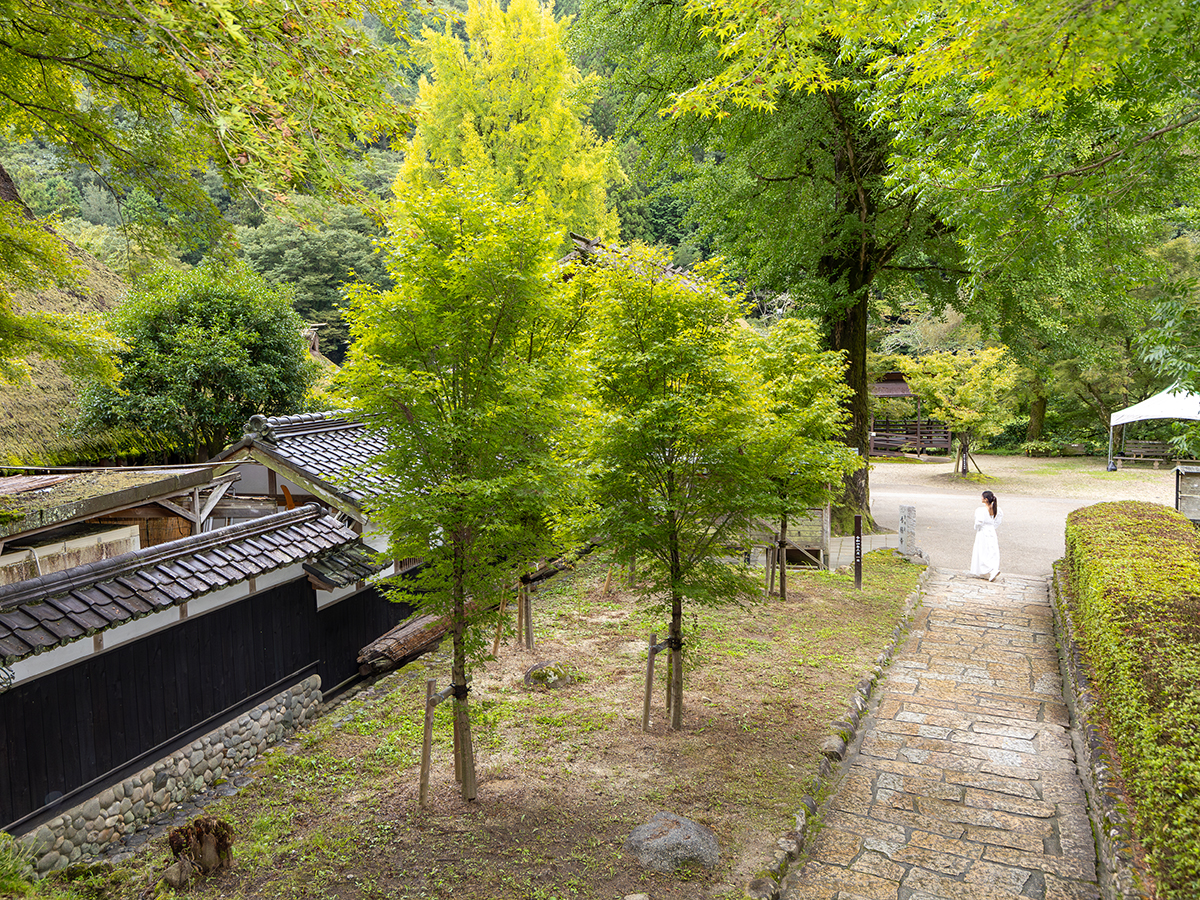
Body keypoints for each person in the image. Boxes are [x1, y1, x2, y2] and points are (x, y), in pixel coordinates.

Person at [970, 490, 1002, 581]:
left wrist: (977, 528)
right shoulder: (997, 510)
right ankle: (991, 569)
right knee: (992, 550)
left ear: (985, 499)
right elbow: (997, 522)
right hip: (991, 531)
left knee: (983, 550)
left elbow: (979, 522)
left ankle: (990, 570)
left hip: (983, 532)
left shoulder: (981, 510)